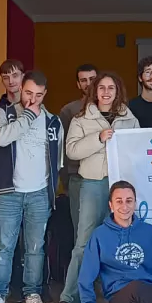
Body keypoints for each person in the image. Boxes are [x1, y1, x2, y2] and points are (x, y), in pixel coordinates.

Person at [57, 71, 140, 303]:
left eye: (111, 88)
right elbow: (71, 151)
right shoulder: (82, 118)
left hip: (120, 186)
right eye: (101, 88)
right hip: (92, 183)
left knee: (121, 240)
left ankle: (122, 293)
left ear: (117, 92)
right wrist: (99, 138)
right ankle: (69, 296)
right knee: (83, 242)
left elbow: (137, 149)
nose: (106, 92)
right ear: (95, 91)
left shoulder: (129, 118)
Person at [0, 71, 63, 303]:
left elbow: (57, 160)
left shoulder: (53, 121)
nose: (33, 99)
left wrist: (50, 192)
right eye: (28, 93)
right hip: (9, 191)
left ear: (45, 94)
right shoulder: (3, 113)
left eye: (39, 95)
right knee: (4, 246)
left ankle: (33, 293)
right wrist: (28, 115)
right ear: (21, 90)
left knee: (35, 247)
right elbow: (1, 138)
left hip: (39, 192)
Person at [0, 59, 26, 302]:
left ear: (23, 77)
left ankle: (28, 289)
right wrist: (3, 169)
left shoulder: (35, 106)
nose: (11, 81)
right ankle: (2, 291)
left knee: (31, 242)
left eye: (15, 75)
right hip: (6, 183)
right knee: (6, 241)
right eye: (6, 77)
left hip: (32, 183)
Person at [59, 63, 98, 232]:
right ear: (78, 84)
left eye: (92, 79)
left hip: (105, 176)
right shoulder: (69, 111)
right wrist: (66, 182)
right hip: (77, 178)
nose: (88, 83)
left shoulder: (112, 108)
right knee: (81, 230)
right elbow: (62, 149)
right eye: (83, 80)